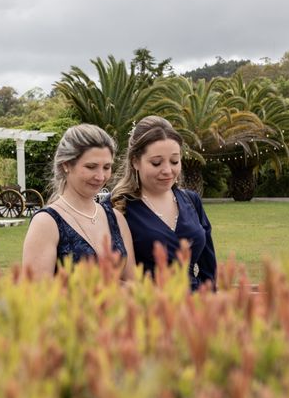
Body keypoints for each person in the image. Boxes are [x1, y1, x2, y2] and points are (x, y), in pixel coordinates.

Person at [111, 115, 217, 291]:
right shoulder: (117, 206)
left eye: (174, 161)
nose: (167, 170)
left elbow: (209, 271)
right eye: (156, 162)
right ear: (135, 161)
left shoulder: (192, 201)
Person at [22, 124, 135, 279]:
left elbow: (134, 285)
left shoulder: (116, 219)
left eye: (107, 167)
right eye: (91, 167)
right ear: (66, 165)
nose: (101, 176)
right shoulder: (46, 223)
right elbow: (37, 295)